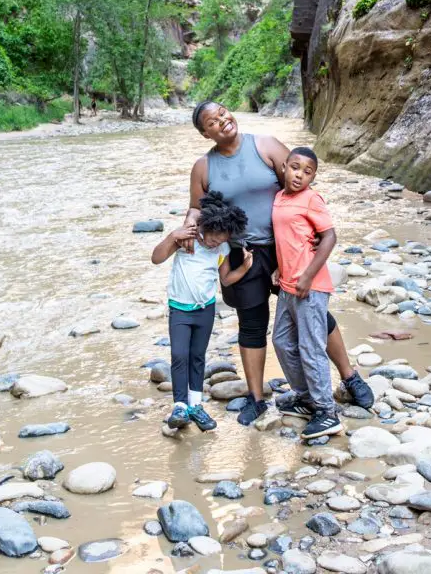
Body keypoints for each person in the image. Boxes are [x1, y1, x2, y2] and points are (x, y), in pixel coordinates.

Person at [186, 100, 374, 427]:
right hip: (239, 253)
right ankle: (257, 399)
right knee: (252, 324)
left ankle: (349, 376)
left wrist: (314, 232)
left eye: (222, 113)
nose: (222, 121)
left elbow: (301, 184)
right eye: (212, 122)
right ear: (206, 134)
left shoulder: (266, 146)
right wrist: (186, 231)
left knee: (314, 313)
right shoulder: (204, 167)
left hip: (284, 248)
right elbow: (196, 209)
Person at [151, 190, 253, 432]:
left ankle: (196, 405)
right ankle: (179, 406)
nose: (215, 242)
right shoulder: (186, 238)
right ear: (205, 226)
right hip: (180, 309)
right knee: (178, 355)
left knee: (197, 356)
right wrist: (172, 236)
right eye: (214, 237)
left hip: (205, 310)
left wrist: (246, 267)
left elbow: (226, 279)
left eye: (221, 240)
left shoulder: (222, 248)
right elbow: (156, 258)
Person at [272, 146, 343, 439]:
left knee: (311, 348)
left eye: (308, 171)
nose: (300, 175)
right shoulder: (279, 197)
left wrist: (308, 275)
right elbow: (288, 238)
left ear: (313, 176)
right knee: (281, 341)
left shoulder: (311, 199)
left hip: (310, 287)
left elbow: (329, 236)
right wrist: (279, 268)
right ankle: (305, 398)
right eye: (295, 167)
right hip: (287, 284)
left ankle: (327, 412)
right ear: (285, 167)